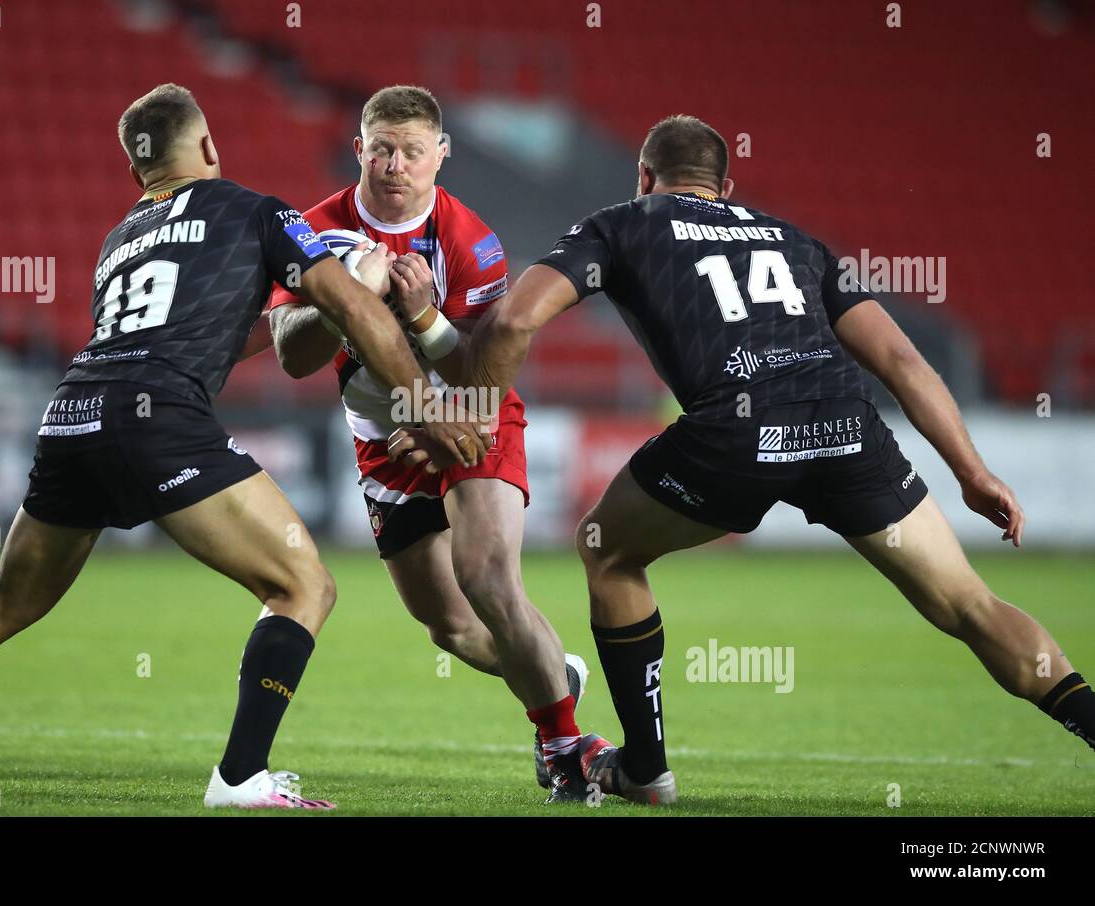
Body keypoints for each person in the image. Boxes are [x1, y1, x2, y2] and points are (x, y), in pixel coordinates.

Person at [0, 83, 488, 811]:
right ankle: (241, 778)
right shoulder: (257, 210)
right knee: (304, 586)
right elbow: (349, 309)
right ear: (209, 149)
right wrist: (424, 400)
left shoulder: (121, 239)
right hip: (158, 420)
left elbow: (211, 331)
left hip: (72, 414)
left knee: (3, 601)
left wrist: (331, 309)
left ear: (136, 173)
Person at [418, 113, 1095, 805]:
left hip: (737, 435)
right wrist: (971, 473)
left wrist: (473, 417)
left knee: (608, 549)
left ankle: (646, 769)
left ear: (645, 178)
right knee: (970, 604)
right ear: (726, 186)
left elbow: (510, 322)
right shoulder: (792, 238)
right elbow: (899, 358)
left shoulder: (623, 223)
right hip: (843, 426)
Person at [267, 85, 589, 800]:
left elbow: (480, 368)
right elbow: (291, 354)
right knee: (452, 628)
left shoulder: (470, 240)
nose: (395, 165)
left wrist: (420, 315)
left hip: (474, 416)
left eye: (413, 151)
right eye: (382, 148)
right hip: (383, 442)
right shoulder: (310, 231)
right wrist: (343, 296)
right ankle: (554, 675)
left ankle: (563, 742)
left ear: (440, 155)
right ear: (359, 149)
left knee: (487, 578)